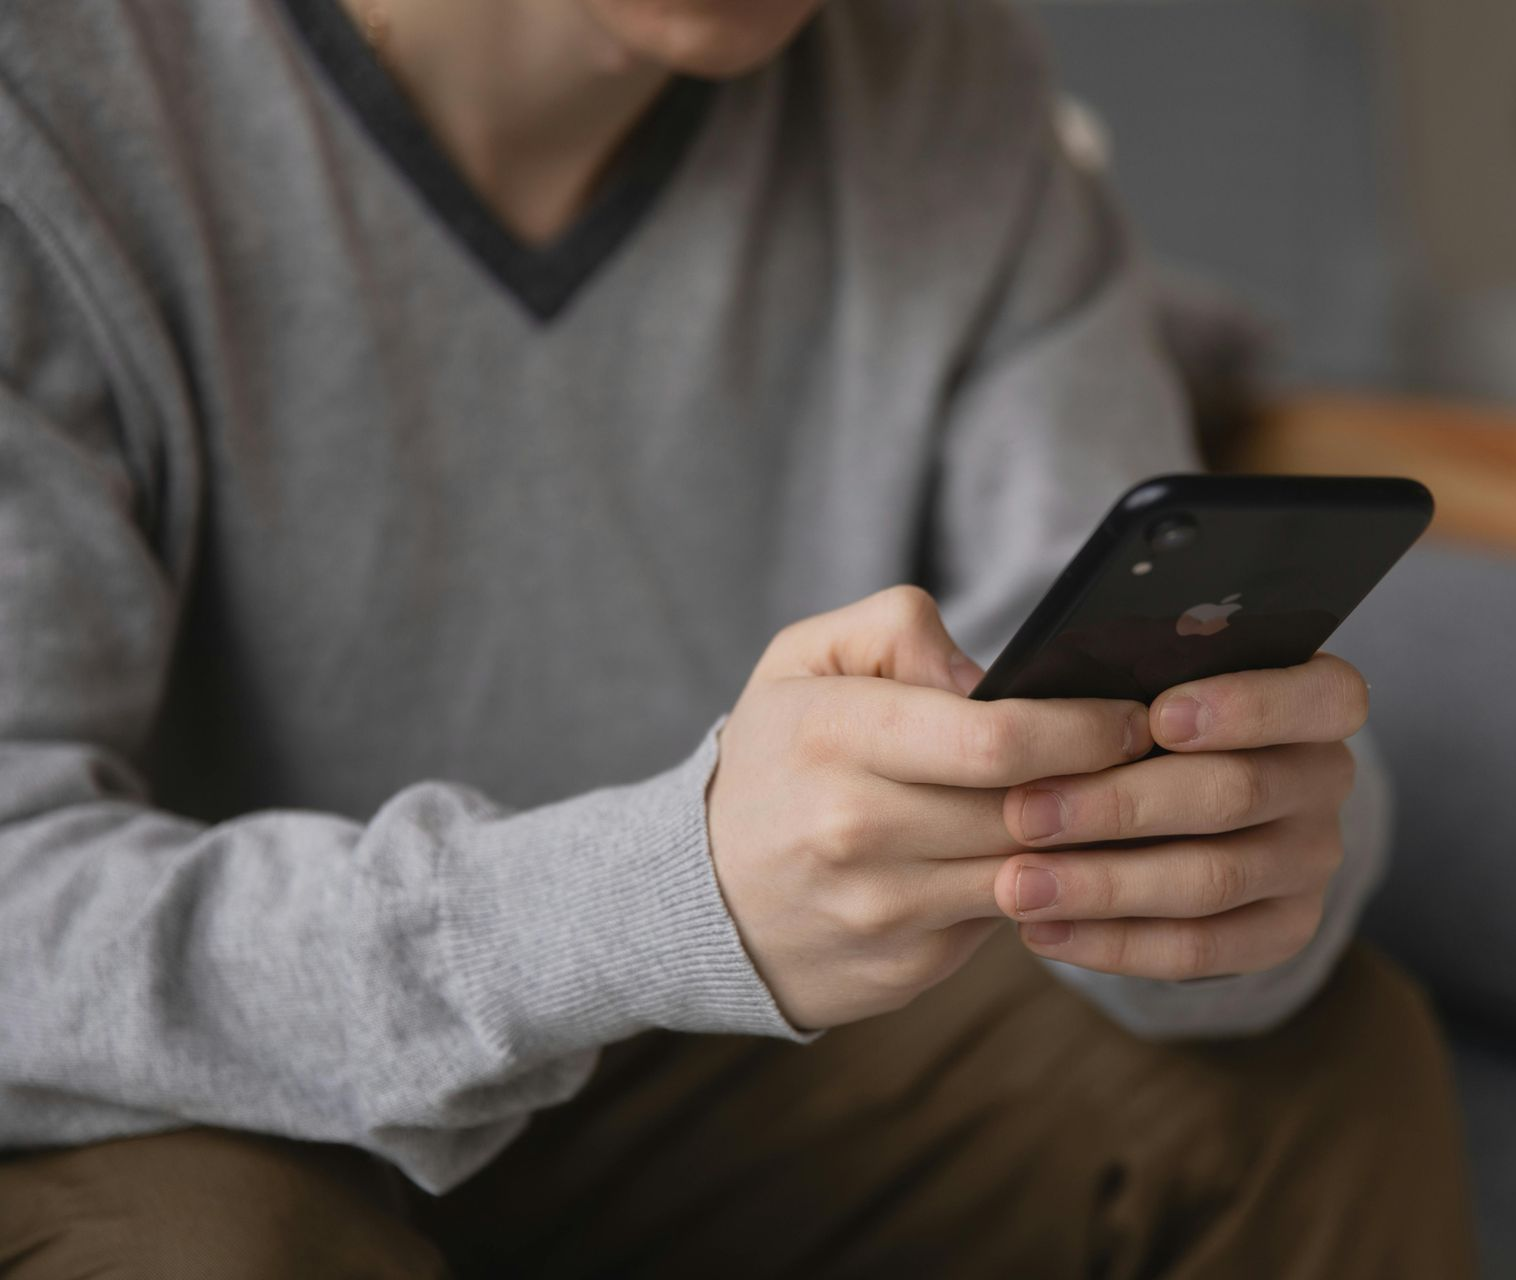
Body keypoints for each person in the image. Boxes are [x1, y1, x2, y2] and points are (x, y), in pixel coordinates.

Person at [0, 0, 1478, 1275]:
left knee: (1318, 1066)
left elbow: (1111, 662)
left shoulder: (940, 87)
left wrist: (1227, 877)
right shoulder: (56, 105)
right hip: (192, 1102)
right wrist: (654, 897)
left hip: (703, 1093)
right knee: (216, 1251)